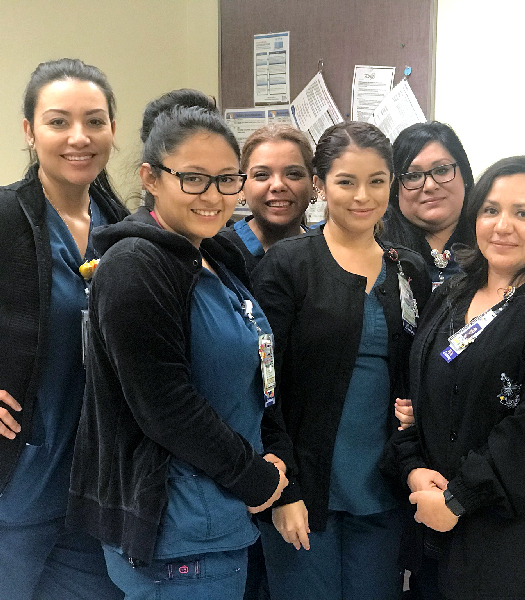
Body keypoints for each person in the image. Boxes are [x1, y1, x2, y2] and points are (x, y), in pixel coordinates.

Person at [66, 90, 289, 599]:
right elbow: (163, 403)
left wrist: (271, 458)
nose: (213, 195)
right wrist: (253, 477)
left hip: (220, 513)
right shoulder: (136, 267)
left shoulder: (215, 256)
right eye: (192, 178)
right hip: (177, 533)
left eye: (227, 180)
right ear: (151, 178)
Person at [391, 156, 525, 600]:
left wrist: (458, 498)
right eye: (490, 210)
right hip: (436, 536)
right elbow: (412, 400)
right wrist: (413, 470)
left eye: (523, 213)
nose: (502, 225)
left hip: (512, 552)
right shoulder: (449, 294)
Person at [251, 121, 431, 600]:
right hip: (305, 489)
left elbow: (421, 370)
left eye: (377, 181)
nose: (362, 196)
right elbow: (263, 386)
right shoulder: (288, 266)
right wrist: (282, 489)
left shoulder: (408, 269)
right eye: (346, 182)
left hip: (383, 489)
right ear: (320, 185)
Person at [0, 58, 128, 600]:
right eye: (58, 121)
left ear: (112, 131)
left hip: (98, 493)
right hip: (19, 484)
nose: (79, 137)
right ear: (29, 131)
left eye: (95, 121)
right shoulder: (6, 216)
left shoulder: (124, 229)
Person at [381, 122, 474, 287]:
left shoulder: (492, 242)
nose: (430, 186)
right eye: (413, 176)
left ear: (464, 175)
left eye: (442, 170)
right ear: (395, 188)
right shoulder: (374, 247)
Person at [218, 124, 315, 274]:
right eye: (261, 175)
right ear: (241, 187)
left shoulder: (329, 253)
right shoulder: (218, 253)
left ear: (314, 185)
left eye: (293, 174)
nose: (278, 185)